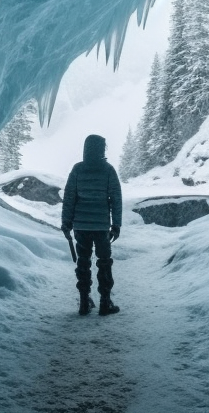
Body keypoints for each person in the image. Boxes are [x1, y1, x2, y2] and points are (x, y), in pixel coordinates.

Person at [60, 134, 123, 316]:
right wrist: (116, 225)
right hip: (102, 226)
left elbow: (69, 198)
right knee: (104, 263)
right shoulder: (108, 170)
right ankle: (105, 302)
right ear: (101, 149)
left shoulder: (78, 169)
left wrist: (66, 223)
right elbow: (116, 199)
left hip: (81, 226)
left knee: (83, 262)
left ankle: (84, 302)